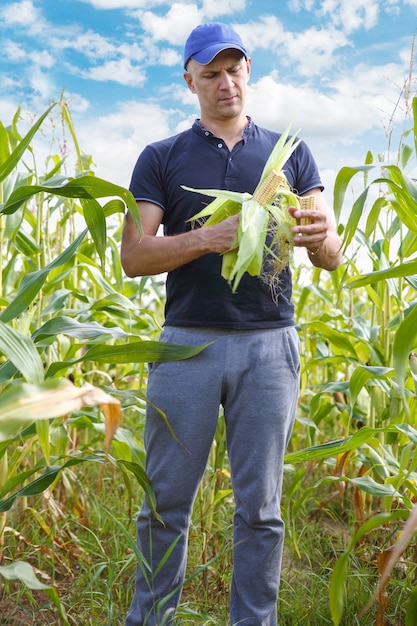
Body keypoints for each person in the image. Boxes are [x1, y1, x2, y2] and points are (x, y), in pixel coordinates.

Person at [121, 22, 342, 626]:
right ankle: (151, 618)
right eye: (211, 73)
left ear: (249, 72)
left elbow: (329, 254)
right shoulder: (162, 156)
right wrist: (207, 238)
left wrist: (322, 237)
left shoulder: (290, 153)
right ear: (189, 79)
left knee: (262, 510)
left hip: (270, 348)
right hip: (187, 346)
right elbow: (135, 256)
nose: (225, 83)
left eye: (234, 70)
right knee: (164, 505)